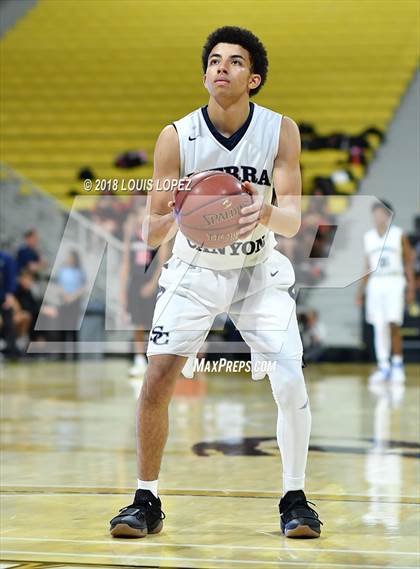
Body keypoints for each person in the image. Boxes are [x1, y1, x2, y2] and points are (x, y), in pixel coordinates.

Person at [109, 26, 322, 540]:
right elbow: (149, 229)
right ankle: (146, 499)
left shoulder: (279, 130)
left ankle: (295, 498)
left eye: (234, 61)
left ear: (255, 78)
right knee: (158, 377)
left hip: (257, 272)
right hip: (195, 268)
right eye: (214, 61)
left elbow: (293, 221)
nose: (221, 67)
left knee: (289, 378)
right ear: (205, 74)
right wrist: (181, 209)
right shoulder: (176, 137)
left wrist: (264, 209)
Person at [357, 201, 414, 383]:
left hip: (395, 280)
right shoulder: (368, 237)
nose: (377, 217)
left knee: (393, 323)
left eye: (380, 213)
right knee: (379, 325)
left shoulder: (399, 234)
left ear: (388, 215)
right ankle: (383, 366)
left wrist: (411, 287)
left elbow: (408, 262)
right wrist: (361, 290)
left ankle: (397, 364)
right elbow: (367, 266)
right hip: (375, 283)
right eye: (374, 214)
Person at [120, 205, 169, 376]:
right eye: (139, 214)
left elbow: (163, 262)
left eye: (144, 214)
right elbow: (125, 264)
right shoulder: (132, 237)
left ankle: (155, 360)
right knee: (137, 324)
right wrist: (122, 293)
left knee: (154, 323)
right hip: (135, 283)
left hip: (152, 282)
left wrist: (153, 284)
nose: (141, 217)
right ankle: (139, 359)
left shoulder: (158, 236)